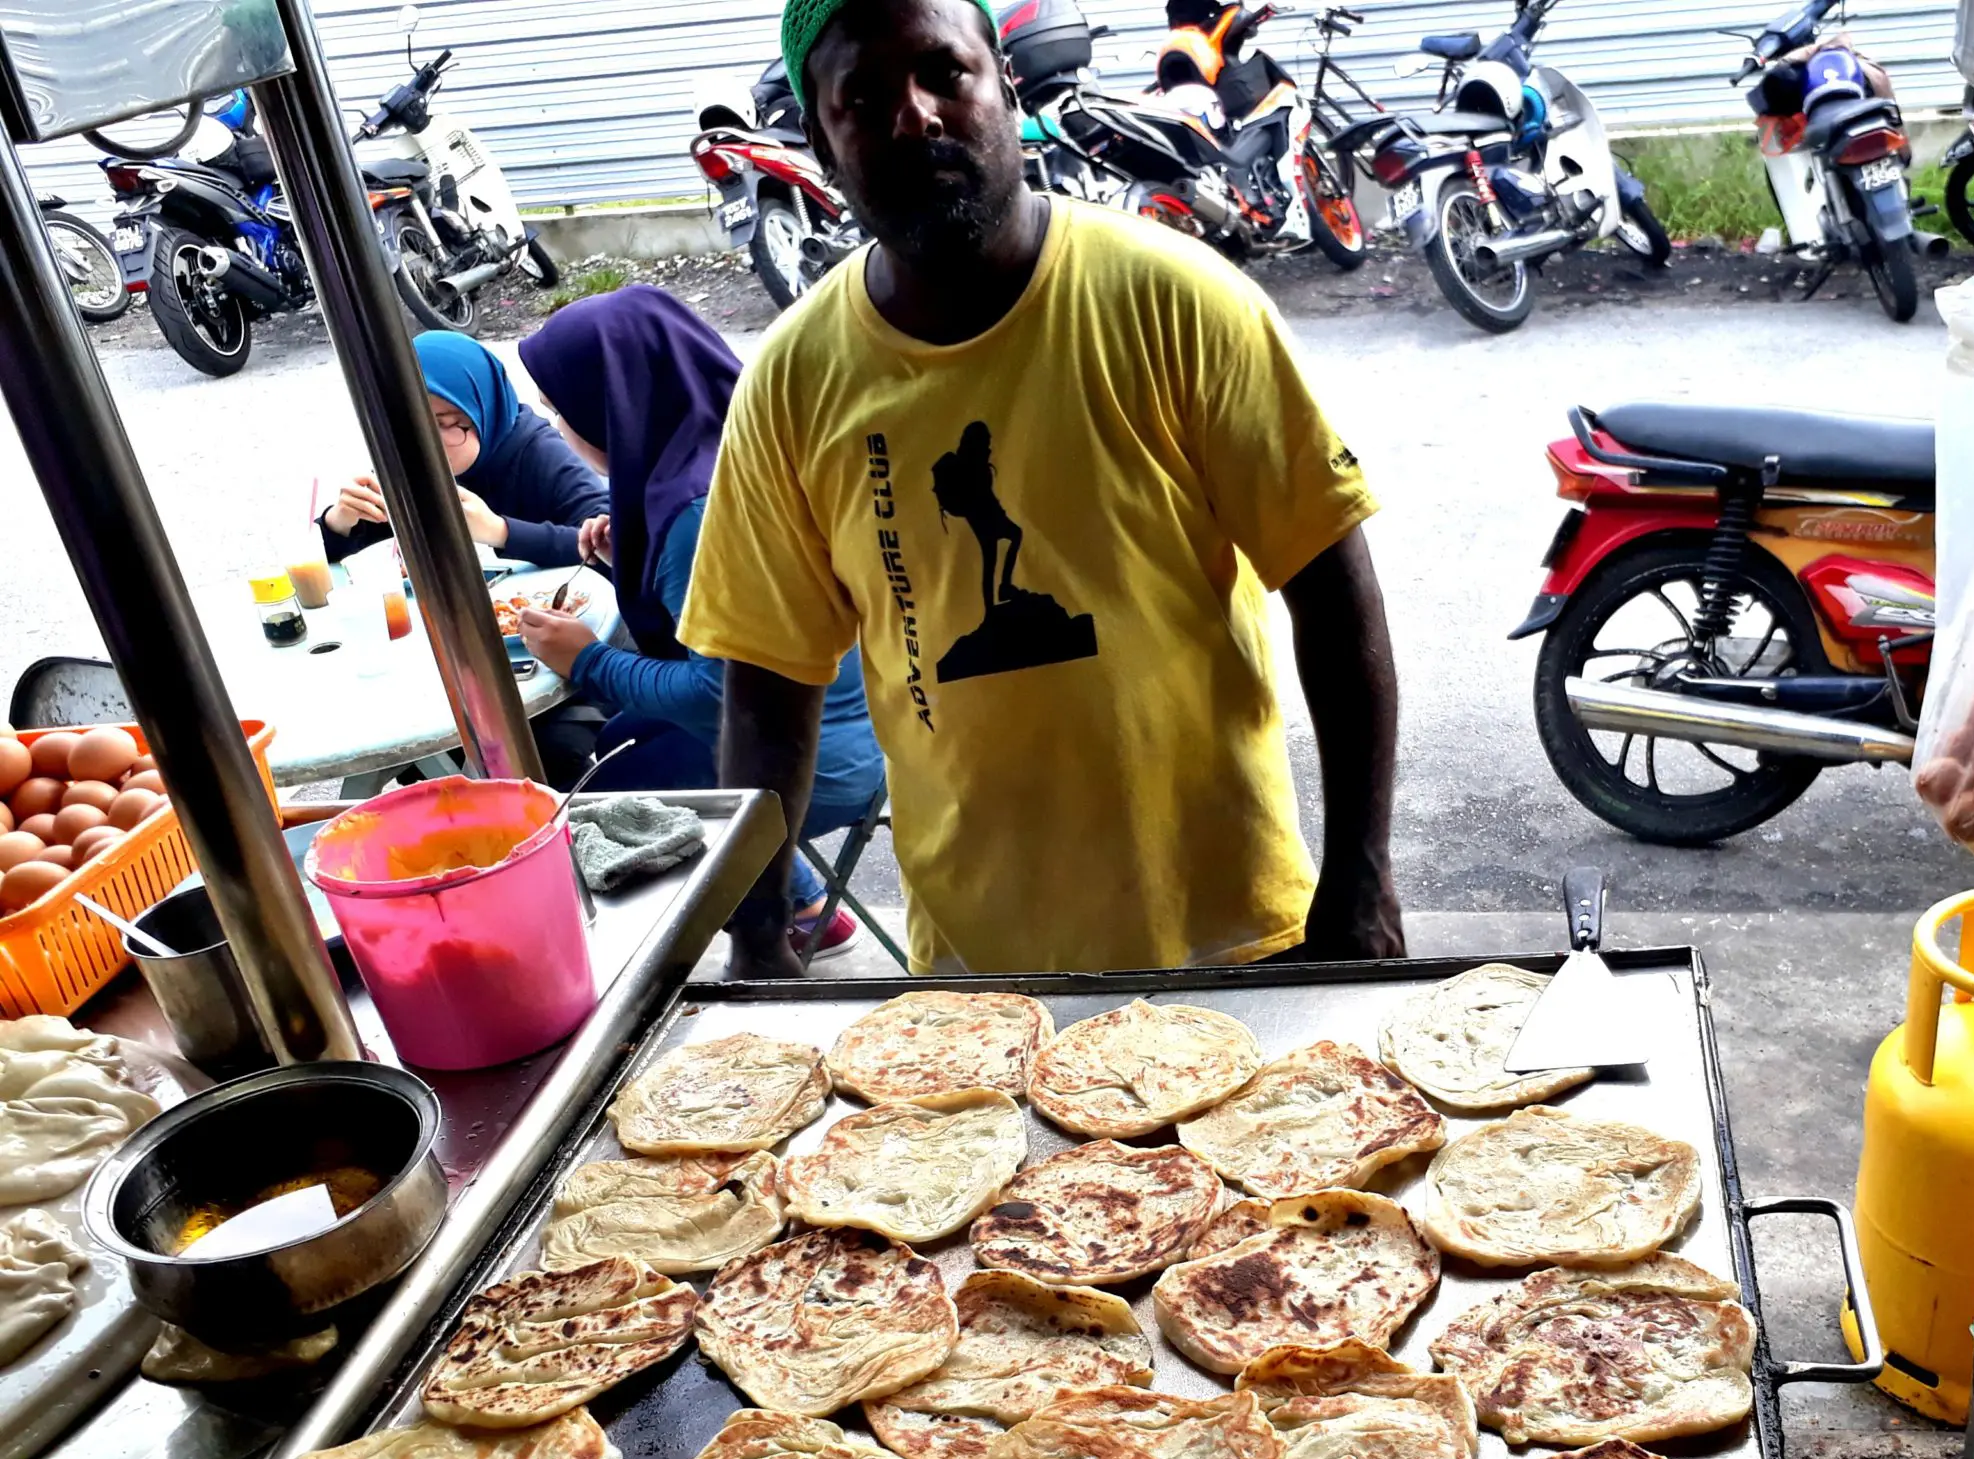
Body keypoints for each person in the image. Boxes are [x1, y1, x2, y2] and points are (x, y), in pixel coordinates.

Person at [685, 0, 1402, 979]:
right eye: (863, 95)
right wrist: (756, 939)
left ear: (1006, 87)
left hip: (1231, 939)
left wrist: (1360, 880)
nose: (917, 115)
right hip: (979, 979)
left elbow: (1330, 585)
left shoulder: (1175, 298)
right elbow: (769, 687)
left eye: (944, 73)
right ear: (820, 136)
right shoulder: (793, 384)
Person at [510, 287, 884, 950]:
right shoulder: (735, 446)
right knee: (612, 738)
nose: (560, 431)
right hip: (869, 730)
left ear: (614, 405)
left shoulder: (694, 512)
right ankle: (795, 898)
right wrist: (634, 558)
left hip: (815, 761)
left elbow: (727, 691)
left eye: (560, 411)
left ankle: (789, 911)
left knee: (589, 790)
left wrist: (586, 660)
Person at [318, 332, 607, 569]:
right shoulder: (408, 459)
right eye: (412, 423)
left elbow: (617, 544)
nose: (428, 443)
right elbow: (319, 560)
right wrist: (340, 521)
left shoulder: (540, 452)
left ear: (484, 411)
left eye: (448, 423)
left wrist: (499, 531)